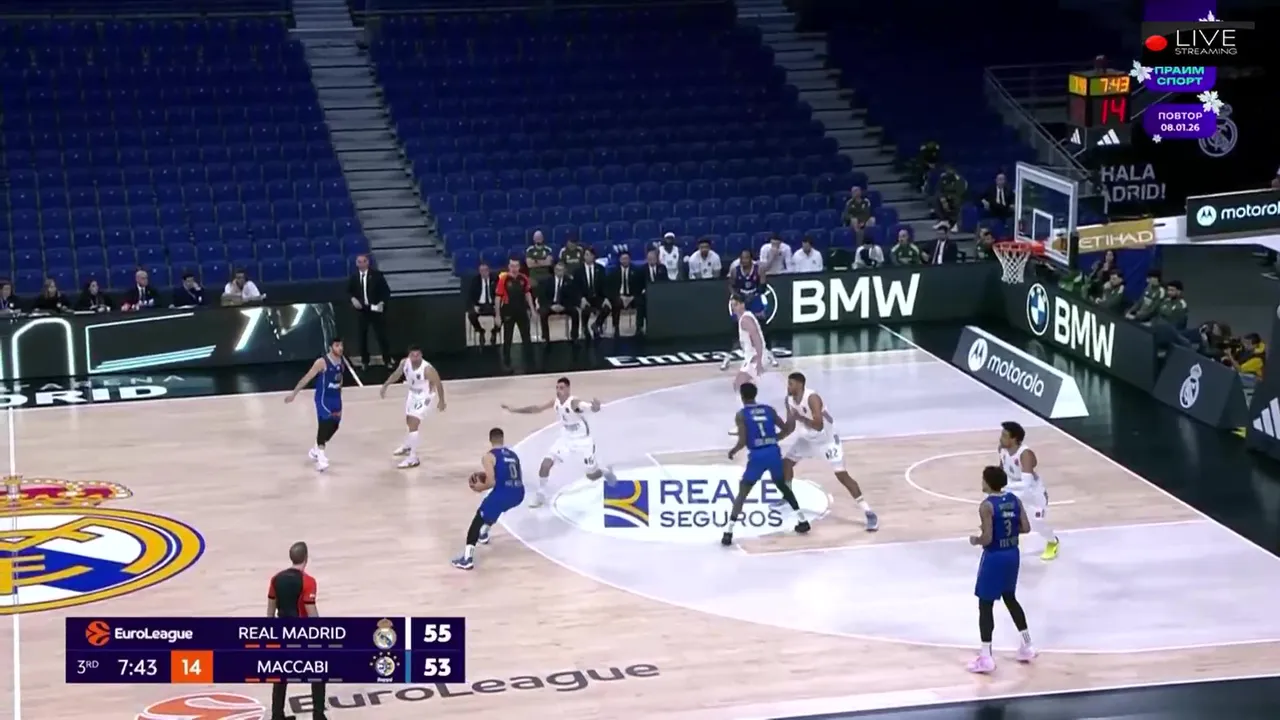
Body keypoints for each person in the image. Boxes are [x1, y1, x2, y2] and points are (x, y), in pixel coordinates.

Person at [780, 372, 878, 531]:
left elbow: (819, 425)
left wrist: (800, 418)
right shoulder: (789, 400)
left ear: (800, 384)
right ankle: (787, 496)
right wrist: (775, 438)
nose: (788, 387)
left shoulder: (812, 398)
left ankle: (869, 512)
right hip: (807, 440)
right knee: (786, 463)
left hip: (827, 441)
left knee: (842, 476)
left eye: (791, 384)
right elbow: (790, 426)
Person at [501, 376, 617, 508]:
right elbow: (536, 408)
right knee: (545, 465)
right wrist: (514, 410)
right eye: (557, 388)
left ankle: (605, 471)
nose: (558, 390)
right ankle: (541, 494)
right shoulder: (555, 402)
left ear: (568, 389)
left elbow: (587, 407)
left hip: (582, 442)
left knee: (592, 475)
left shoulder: (574, 402)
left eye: (561, 388)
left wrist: (595, 407)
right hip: (565, 440)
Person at [967, 465, 1036, 673]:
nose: (981, 482)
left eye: (983, 479)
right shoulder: (1014, 500)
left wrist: (976, 540)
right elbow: (1026, 528)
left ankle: (986, 656)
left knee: (985, 604)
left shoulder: (986, 506)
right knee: (1010, 598)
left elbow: (988, 538)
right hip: (1013, 554)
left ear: (988, 483)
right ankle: (1027, 645)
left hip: (995, 556)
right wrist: (1008, 532)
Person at [722, 382, 808, 546]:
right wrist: (775, 437)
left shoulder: (741, 415)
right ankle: (802, 520)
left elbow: (743, 441)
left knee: (743, 492)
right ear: (755, 394)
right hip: (773, 453)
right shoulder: (769, 410)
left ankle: (728, 532)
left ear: (742, 396)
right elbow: (786, 429)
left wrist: (733, 451)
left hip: (757, 457)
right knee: (782, 486)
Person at [266, 540, 327, 720]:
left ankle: (277, 715)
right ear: (306, 558)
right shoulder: (308, 582)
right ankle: (318, 715)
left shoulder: (276, 579)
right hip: (302, 634)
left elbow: (270, 611)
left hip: (282, 633)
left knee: (280, 674)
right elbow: (310, 611)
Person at [452, 427, 526, 571]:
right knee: (496, 508)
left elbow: (491, 482)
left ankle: (467, 559)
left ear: (490, 440)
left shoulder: (488, 457)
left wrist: (480, 487)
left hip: (503, 493)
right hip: (519, 493)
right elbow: (516, 476)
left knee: (478, 520)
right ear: (502, 439)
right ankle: (484, 533)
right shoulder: (513, 455)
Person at [998, 421, 1059, 560]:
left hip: (1033, 495)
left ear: (1014, 439)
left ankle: (1053, 542)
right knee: (1003, 516)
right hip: (1016, 492)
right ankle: (1007, 545)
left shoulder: (1025, 454)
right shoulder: (1002, 450)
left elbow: (1027, 484)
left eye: (1004, 436)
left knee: (1037, 524)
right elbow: (1002, 469)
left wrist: (1005, 487)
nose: (1001, 438)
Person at [379, 346, 446, 469]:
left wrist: (442, 401)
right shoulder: (404, 363)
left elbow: (438, 383)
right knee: (408, 420)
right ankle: (408, 445)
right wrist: (386, 385)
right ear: (409, 356)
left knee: (414, 422)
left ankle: (413, 458)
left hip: (424, 396)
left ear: (421, 355)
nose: (415, 358)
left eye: (417, 355)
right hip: (412, 393)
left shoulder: (427, 369)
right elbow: (396, 374)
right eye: (413, 355)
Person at [285, 339, 345, 472]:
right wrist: (294, 394)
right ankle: (321, 458)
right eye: (337, 345)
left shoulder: (341, 362)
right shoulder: (322, 362)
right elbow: (307, 378)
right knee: (324, 424)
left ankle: (315, 449)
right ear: (330, 347)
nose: (340, 348)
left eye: (341, 345)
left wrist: (340, 395)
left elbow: (340, 380)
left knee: (335, 425)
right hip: (323, 399)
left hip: (335, 398)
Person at [720, 250, 778, 371]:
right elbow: (731, 285)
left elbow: (763, 286)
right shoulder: (735, 270)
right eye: (742, 258)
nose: (744, 261)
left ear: (751, 259)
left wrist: (755, 294)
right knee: (735, 327)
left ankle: (769, 353)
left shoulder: (759, 269)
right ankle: (728, 356)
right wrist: (737, 295)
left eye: (747, 258)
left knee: (762, 325)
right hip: (741, 299)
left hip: (755, 297)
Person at [347, 254, 393, 368]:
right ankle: (365, 361)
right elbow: (348, 291)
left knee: (381, 336)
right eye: (359, 262)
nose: (362, 264)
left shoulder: (377, 275)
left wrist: (382, 303)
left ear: (368, 262)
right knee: (362, 337)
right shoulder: (354, 277)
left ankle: (387, 360)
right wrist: (353, 299)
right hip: (362, 311)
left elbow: (386, 291)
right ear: (356, 264)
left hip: (376, 309)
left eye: (364, 261)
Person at [495, 258, 534, 359]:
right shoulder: (503, 278)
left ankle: (530, 359)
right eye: (512, 266)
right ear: (509, 267)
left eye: (516, 266)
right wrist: (497, 315)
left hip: (522, 310)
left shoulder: (523, 278)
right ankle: (506, 359)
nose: (514, 268)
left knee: (526, 336)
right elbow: (498, 297)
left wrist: (533, 310)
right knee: (508, 337)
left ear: (519, 267)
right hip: (508, 310)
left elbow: (528, 294)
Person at [538, 262, 580, 342]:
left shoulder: (570, 281)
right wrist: (551, 306)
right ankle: (545, 338)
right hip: (551, 304)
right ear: (554, 270)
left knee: (575, 313)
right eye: (557, 270)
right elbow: (542, 297)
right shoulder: (547, 281)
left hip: (564, 305)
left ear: (564, 271)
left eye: (561, 270)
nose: (559, 272)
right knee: (543, 313)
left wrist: (563, 306)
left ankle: (574, 337)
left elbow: (573, 297)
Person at [574, 248, 609, 339]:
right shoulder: (578, 271)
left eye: (589, 255)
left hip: (597, 297)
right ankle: (585, 328)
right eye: (586, 255)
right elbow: (576, 287)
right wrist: (581, 298)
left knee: (607, 308)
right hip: (584, 297)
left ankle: (596, 325)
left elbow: (604, 285)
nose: (587, 257)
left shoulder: (600, 269)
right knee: (586, 309)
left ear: (593, 256)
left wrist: (605, 298)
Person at [608, 250, 643, 335]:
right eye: (623, 259)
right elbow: (611, 288)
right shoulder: (614, 272)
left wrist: (632, 297)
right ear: (619, 260)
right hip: (620, 296)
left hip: (632, 296)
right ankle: (616, 327)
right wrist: (621, 297)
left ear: (630, 259)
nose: (625, 261)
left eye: (627, 258)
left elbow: (639, 287)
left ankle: (639, 327)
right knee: (616, 302)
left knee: (641, 302)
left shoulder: (637, 271)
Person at [465, 261, 499, 346]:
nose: (484, 272)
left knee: (503, 314)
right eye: (482, 270)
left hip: (493, 305)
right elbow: (470, 296)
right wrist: (474, 305)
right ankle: (480, 331)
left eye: (486, 270)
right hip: (479, 305)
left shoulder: (495, 279)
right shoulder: (475, 280)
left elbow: (500, 294)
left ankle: (494, 332)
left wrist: (497, 305)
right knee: (471, 314)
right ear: (479, 271)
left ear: (489, 270)